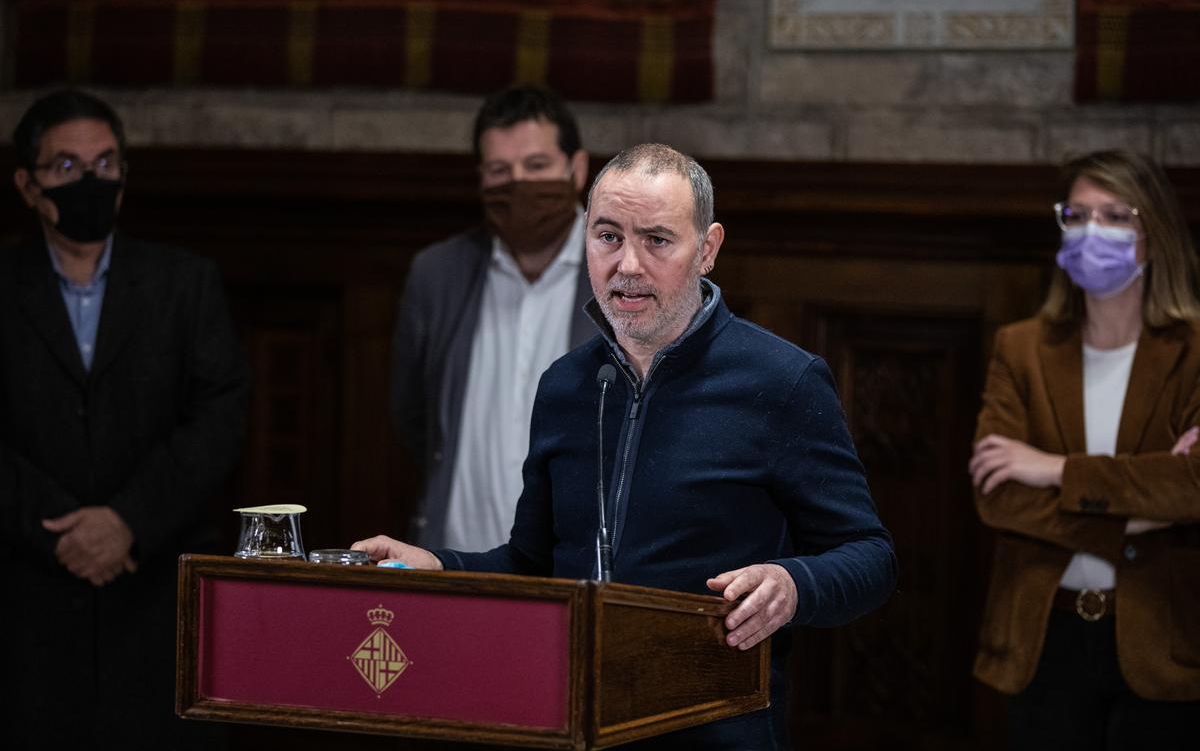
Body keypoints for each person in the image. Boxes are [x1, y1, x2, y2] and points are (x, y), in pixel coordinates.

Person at [357, 143, 897, 749]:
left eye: (658, 241)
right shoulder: (565, 387)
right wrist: (443, 565)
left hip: (719, 725)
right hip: (575, 722)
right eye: (608, 236)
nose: (628, 265)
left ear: (709, 249)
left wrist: (794, 584)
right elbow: (536, 565)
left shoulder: (782, 381)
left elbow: (870, 556)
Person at [0, 89, 249, 748]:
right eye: (68, 168)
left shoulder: (184, 284)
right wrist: (57, 531)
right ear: (27, 184)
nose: (92, 182)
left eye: (106, 165)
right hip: (28, 604)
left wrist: (128, 521)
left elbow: (221, 414)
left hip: (157, 598)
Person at [968, 149, 1200, 750]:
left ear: (1155, 234)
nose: (1093, 231)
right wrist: (1144, 515)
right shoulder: (1020, 348)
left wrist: (1055, 469)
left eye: (1116, 216)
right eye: (1077, 214)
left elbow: (1193, 485)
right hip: (1044, 637)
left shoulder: (1194, 352)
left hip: (1164, 640)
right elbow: (999, 497)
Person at [392, 84, 594, 552]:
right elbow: (414, 416)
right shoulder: (437, 275)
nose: (518, 184)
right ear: (481, 178)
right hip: (457, 562)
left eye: (537, 166)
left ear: (577, 169)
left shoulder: (625, 271)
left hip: (577, 571)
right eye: (500, 171)